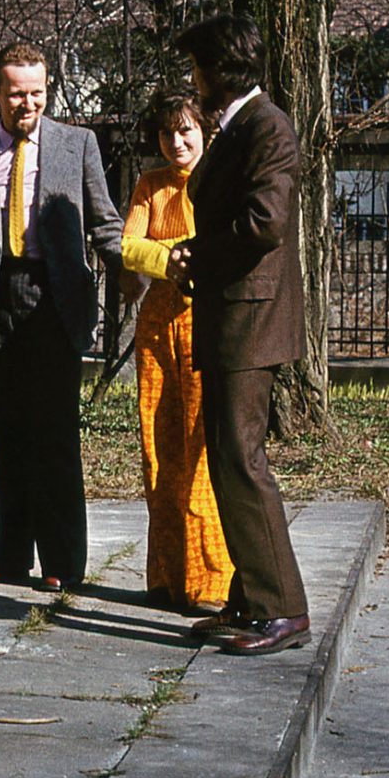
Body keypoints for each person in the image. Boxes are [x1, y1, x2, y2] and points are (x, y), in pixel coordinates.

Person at [0, 42, 123, 593]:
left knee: (56, 436)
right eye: (16, 94)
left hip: (55, 302)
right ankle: (11, 552)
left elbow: (104, 225)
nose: (28, 104)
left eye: (37, 93)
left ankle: (64, 560)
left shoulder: (77, 145)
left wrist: (146, 263)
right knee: (10, 438)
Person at [170, 14, 311, 656]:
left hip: (251, 317)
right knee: (228, 455)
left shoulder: (266, 126)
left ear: (220, 71)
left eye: (197, 69)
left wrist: (199, 257)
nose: (193, 82)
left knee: (243, 459)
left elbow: (263, 223)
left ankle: (281, 607)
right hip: (232, 314)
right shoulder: (238, 127)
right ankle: (253, 598)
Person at [121, 91, 234, 614]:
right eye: (168, 133)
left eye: (186, 130)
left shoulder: (218, 178)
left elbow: (223, 239)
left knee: (201, 451)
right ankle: (167, 575)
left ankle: (210, 579)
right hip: (155, 331)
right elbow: (128, 246)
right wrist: (175, 256)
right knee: (159, 445)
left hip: (204, 324)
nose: (178, 142)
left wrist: (179, 251)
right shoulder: (150, 185)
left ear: (204, 132)